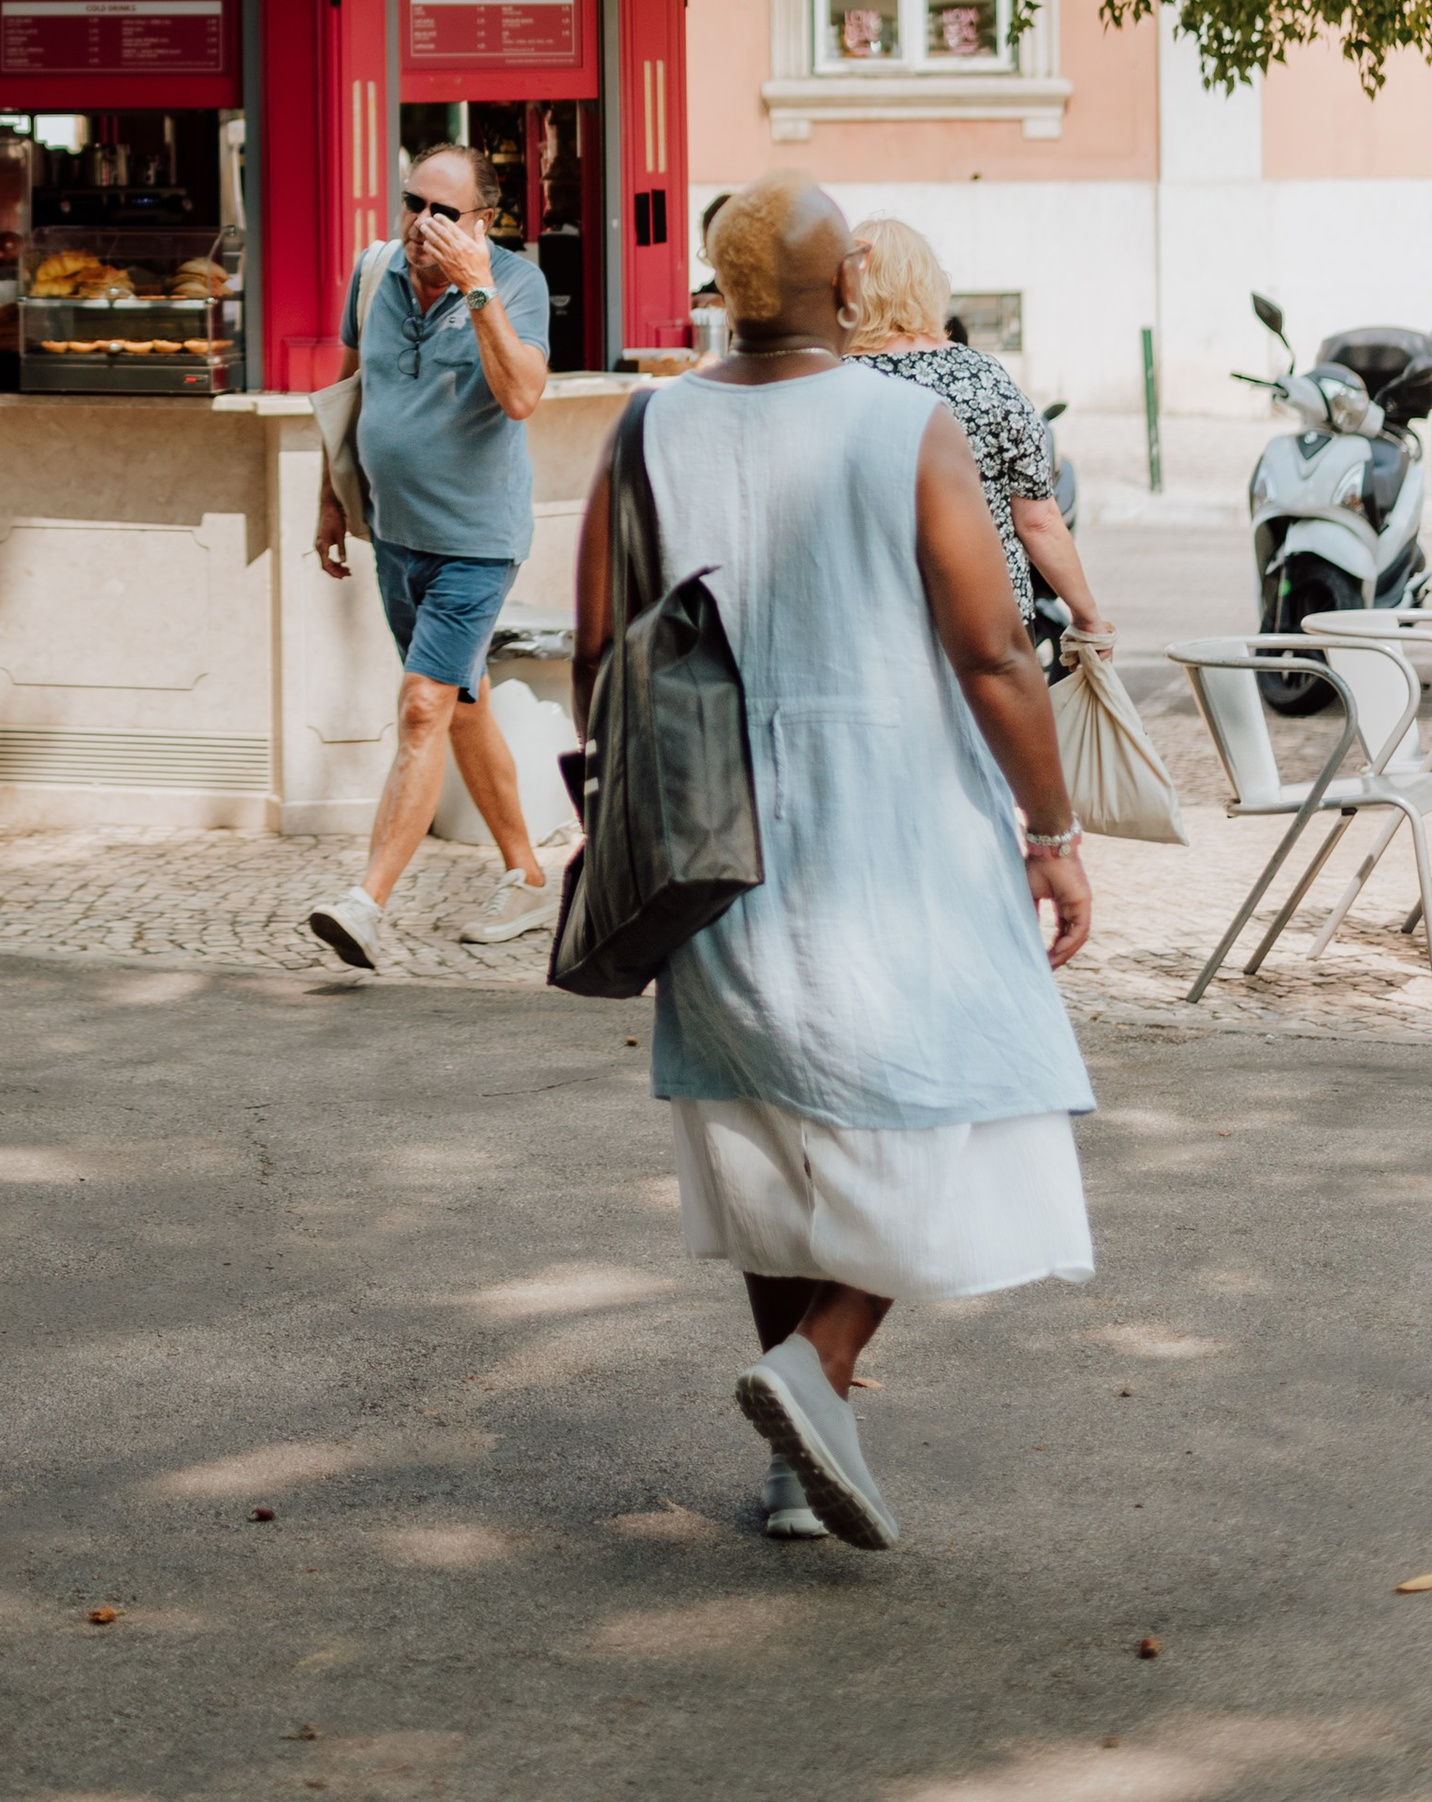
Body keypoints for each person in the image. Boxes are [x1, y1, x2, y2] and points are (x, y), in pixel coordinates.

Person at [576, 172, 1094, 1555]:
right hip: (902, 818)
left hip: (710, 828)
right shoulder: (905, 420)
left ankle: (803, 1453)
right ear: (849, 290)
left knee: (763, 1132)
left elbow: (595, 648)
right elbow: (993, 651)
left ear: (723, 296)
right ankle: (821, 1366)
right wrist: (1051, 830)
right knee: (973, 1086)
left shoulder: (646, 426)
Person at [308, 141, 559, 965]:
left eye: (444, 211)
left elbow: (522, 395)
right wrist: (331, 497)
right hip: (395, 535)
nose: (422, 223)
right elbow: (351, 387)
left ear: (483, 220)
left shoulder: (516, 284)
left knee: (423, 706)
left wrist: (476, 290)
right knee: (462, 703)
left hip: (475, 544)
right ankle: (526, 875)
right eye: (413, 202)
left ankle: (365, 903)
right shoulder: (373, 271)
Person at [842, 216, 1110, 646]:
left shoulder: (830, 384)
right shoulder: (983, 376)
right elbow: (1038, 520)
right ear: (927, 286)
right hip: (988, 622)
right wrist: (1088, 617)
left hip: (870, 625)